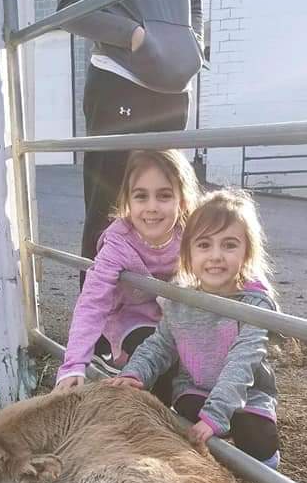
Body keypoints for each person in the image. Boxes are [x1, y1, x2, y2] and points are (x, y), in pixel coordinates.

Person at [57, 0, 204, 367]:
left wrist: (191, 44)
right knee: (109, 213)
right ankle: (101, 338)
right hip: (120, 75)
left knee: (166, 207)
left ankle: (159, 327)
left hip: (174, 87)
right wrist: (134, 36)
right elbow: (71, 5)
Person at [111, 189, 281, 468]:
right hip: (197, 387)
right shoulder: (181, 300)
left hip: (247, 392)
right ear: (188, 251)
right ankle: (217, 429)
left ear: (246, 251)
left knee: (259, 449)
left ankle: (245, 437)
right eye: (204, 245)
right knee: (187, 412)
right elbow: (160, 344)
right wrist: (135, 372)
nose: (215, 256)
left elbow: (242, 364)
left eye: (229, 245)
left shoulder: (254, 305)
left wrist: (215, 416)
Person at [54, 149, 200, 403]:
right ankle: (159, 420)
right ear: (128, 202)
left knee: (195, 360)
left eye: (164, 196)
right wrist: (74, 363)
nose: (152, 207)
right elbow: (92, 301)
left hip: (177, 318)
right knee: (155, 358)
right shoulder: (118, 243)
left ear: (183, 200)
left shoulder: (189, 237)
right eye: (141, 196)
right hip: (132, 321)